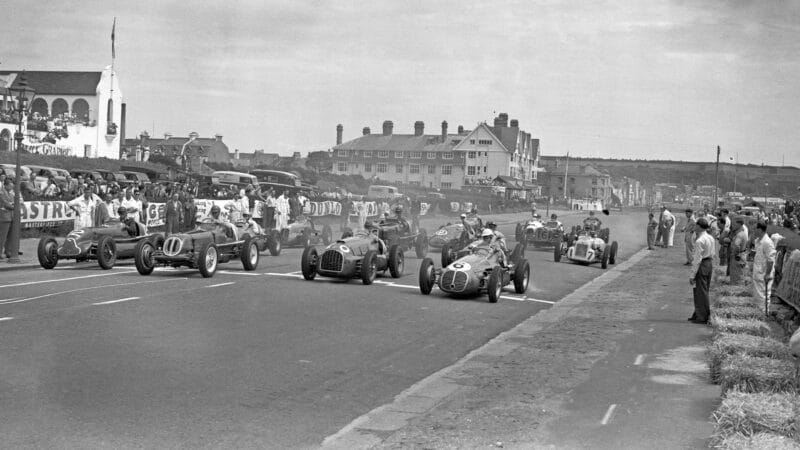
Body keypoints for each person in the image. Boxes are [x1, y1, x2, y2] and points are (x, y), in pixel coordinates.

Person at [688, 218, 716, 324]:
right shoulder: (710, 237)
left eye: (696, 225)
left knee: (701, 292)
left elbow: (697, 260)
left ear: (699, 227)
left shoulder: (700, 240)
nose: (694, 227)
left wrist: (692, 275)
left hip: (702, 264)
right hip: (708, 263)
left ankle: (702, 316)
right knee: (704, 290)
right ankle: (698, 314)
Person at [751, 222, 776, 305]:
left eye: (755, 229)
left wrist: (768, 274)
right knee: (757, 295)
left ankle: (763, 314)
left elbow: (771, 260)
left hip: (764, 273)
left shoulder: (767, 242)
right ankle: (758, 313)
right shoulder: (758, 241)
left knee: (763, 295)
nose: (753, 230)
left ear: (760, 230)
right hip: (758, 272)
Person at [728, 217, 748, 285]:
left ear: (739, 224)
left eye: (734, 224)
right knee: (739, 274)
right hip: (741, 255)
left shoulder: (739, 235)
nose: (732, 225)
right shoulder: (742, 233)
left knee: (736, 277)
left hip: (737, 256)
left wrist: (733, 253)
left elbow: (736, 246)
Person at [0, 180, 14, 259]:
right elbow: (6, 204)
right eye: (10, 186)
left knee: (10, 236)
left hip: (11, 217)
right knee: (2, 236)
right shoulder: (1, 193)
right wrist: (13, 206)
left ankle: (8, 251)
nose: (11, 187)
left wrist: (12, 204)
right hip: (4, 217)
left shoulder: (11, 193)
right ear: (5, 185)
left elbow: (14, 202)